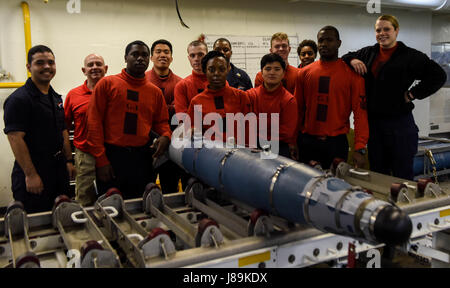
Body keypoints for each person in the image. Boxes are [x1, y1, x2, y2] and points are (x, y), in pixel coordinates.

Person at [342, 15, 447, 180]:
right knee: (378, 173)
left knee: (402, 175)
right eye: (378, 30)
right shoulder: (369, 52)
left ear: (396, 31)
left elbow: (438, 75)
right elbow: (345, 57)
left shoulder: (410, 56)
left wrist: (412, 94)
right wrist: (353, 59)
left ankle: (402, 205)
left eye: (387, 29)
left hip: (399, 125)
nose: (382, 33)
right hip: (375, 125)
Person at [86, 40, 171, 199]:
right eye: (135, 54)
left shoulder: (155, 92)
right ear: (126, 58)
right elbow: (93, 123)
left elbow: (161, 122)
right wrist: (101, 160)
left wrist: (166, 136)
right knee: (111, 210)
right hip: (112, 159)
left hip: (143, 160)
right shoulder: (107, 84)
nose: (140, 58)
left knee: (141, 208)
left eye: (144, 55)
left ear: (149, 59)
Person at [3, 45, 75, 213]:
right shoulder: (19, 99)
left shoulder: (55, 98)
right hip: (35, 171)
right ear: (29, 67)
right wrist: (31, 175)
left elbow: (62, 130)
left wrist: (68, 161)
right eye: (40, 63)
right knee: (38, 222)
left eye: (51, 62)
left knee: (62, 214)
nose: (47, 67)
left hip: (58, 169)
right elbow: (15, 138)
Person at [294, 26, 368, 170]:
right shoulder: (303, 73)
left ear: (339, 43)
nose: (324, 44)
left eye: (329, 40)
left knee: (336, 189)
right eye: (321, 40)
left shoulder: (353, 76)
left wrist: (360, 147)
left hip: (336, 144)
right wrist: (293, 141)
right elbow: (297, 110)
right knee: (306, 188)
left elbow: (360, 114)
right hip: (308, 141)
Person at [64, 54, 108, 206]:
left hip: (109, 152)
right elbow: (64, 127)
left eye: (98, 64)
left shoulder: (113, 92)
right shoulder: (73, 95)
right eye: (90, 65)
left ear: (105, 69)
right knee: (84, 197)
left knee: (109, 194)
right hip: (85, 153)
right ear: (84, 70)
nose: (94, 67)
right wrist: (68, 159)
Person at [145, 39, 185, 194]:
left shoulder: (180, 83)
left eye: (166, 52)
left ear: (172, 57)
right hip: (148, 144)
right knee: (146, 187)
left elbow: (178, 113)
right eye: (158, 52)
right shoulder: (143, 81)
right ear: (151, 57)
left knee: (171, 188)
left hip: (172, 143)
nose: (162, 55)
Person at [187, 51, 252, 144]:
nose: (216, 73)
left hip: (239, 153)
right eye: (211, 70)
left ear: (227, 70)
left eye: (221, 69)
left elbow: (248, 129)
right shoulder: (197, 102)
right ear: (205, 71)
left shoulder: (241, 96)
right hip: (210, 153)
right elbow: (193, 133)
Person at [247, 53, 298, 158]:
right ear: (261, 72)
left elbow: (287, 133)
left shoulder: (289, 100)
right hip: (253, 146)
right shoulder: (250, 95)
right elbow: (245, 124)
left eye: (277, 69)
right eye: (268, 69)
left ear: (283, 73)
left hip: (278, 148)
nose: (272, 72)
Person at [174, 40, 209, 118]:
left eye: (200, 55)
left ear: (207, 56)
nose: (196, 59)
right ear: (189, 58)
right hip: (192, 129)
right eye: (192, 55)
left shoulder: (220, 83)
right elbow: (182, 118)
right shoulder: (181, 86)